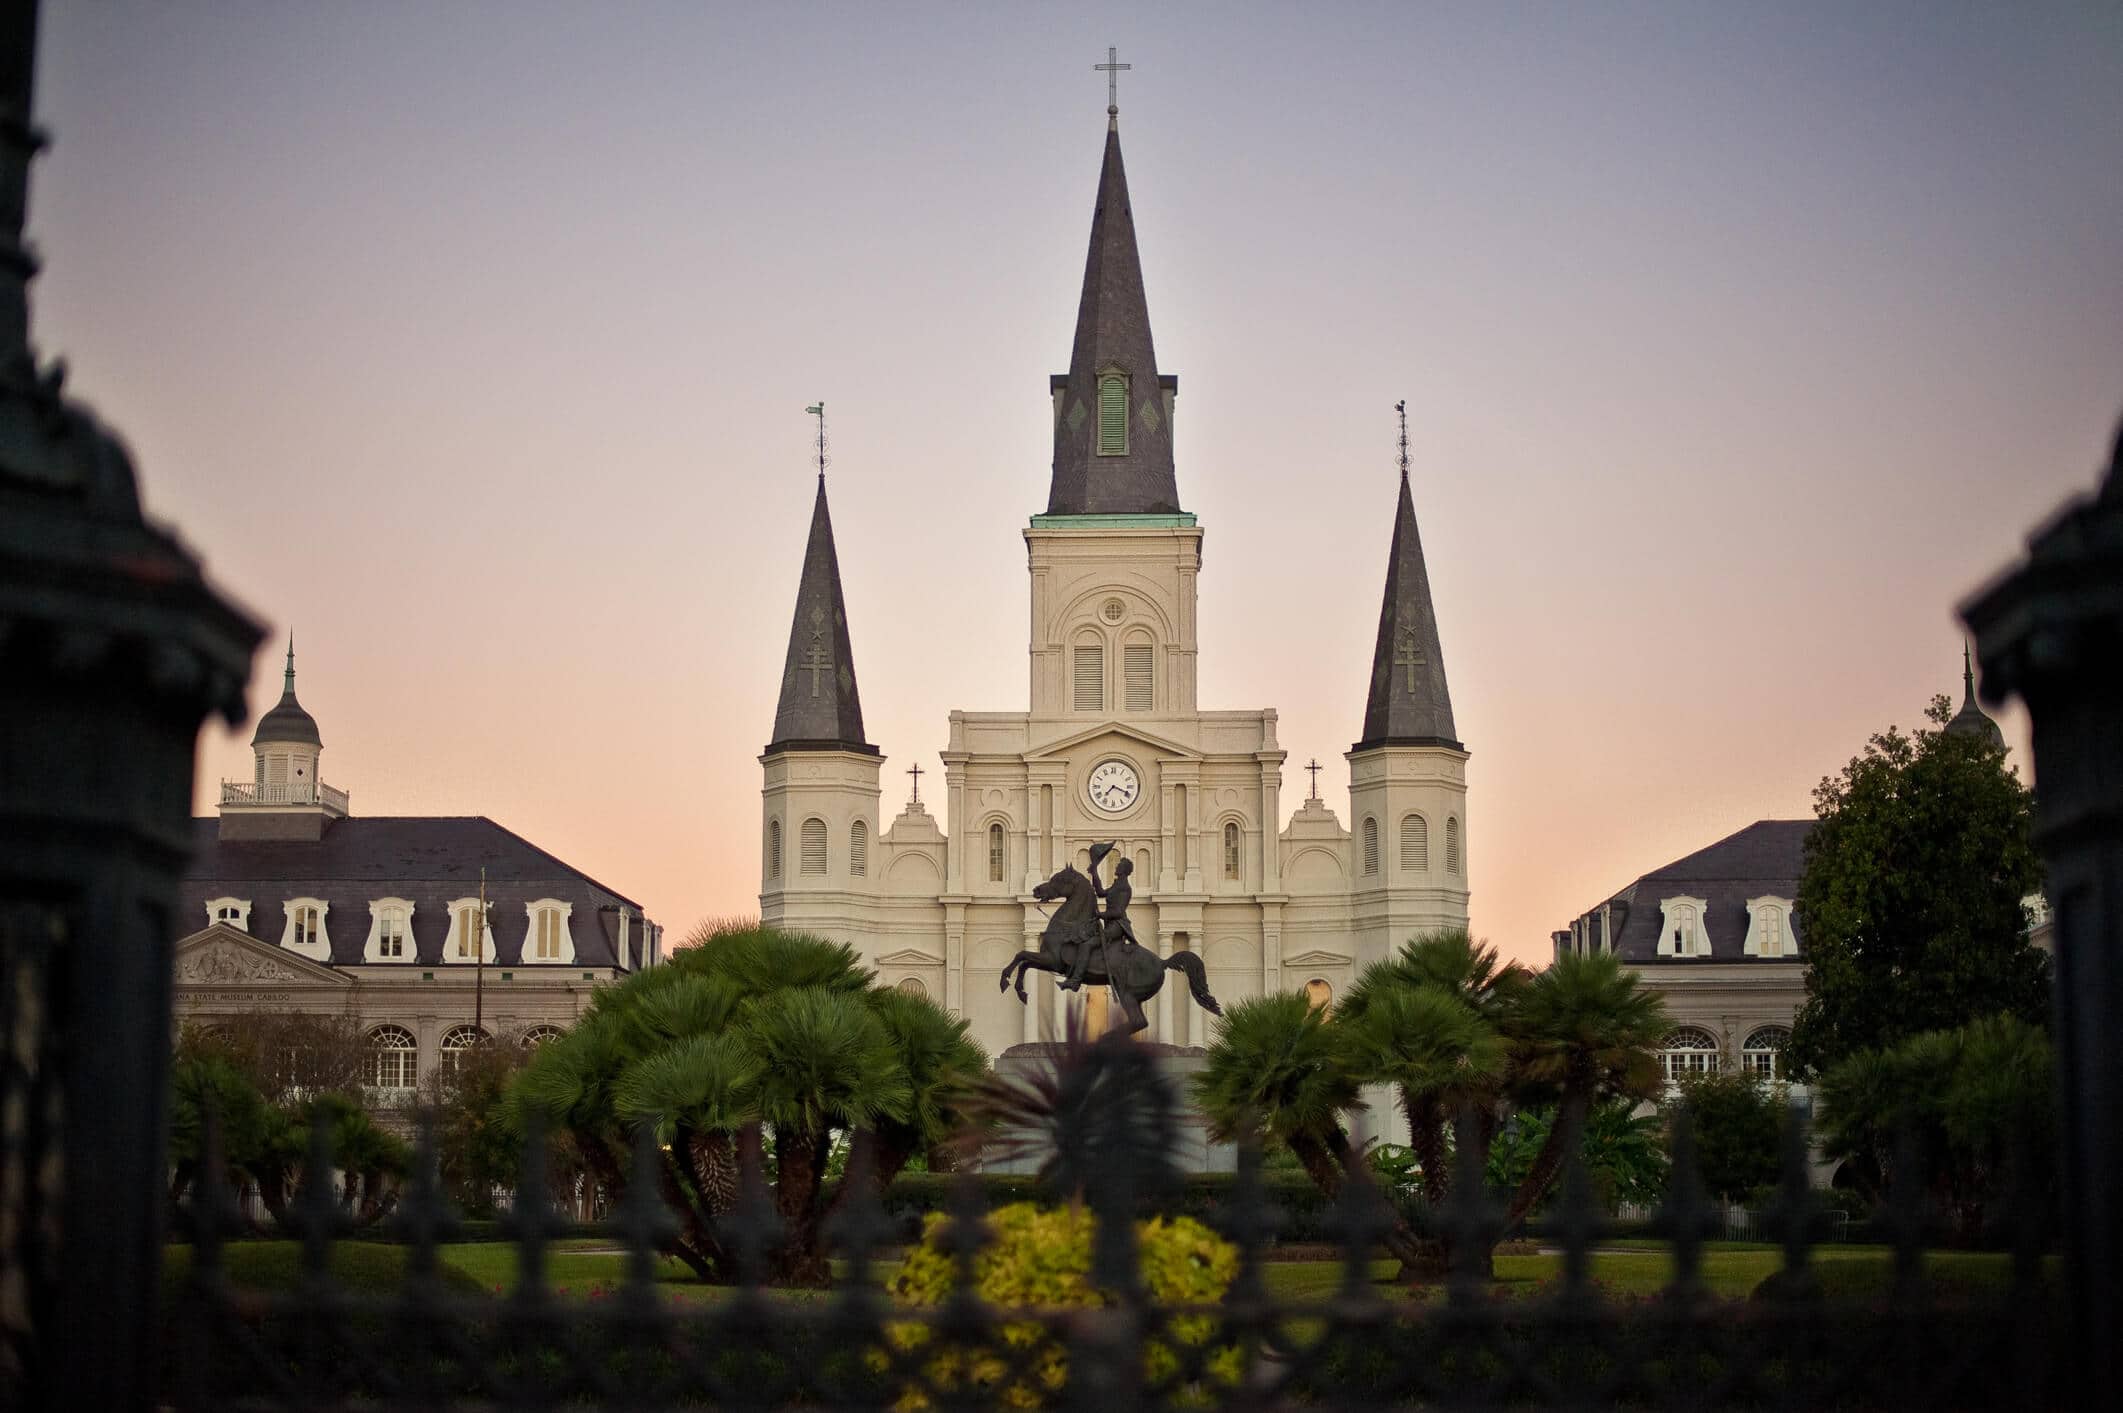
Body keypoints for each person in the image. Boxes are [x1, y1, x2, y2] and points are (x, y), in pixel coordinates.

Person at [1059, 844, 1140, 991]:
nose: (1116, 866)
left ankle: (1075, 980)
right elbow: (1101, 892)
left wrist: (1100, 914)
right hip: (1109, 924)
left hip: (1117, 926)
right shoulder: (1117, 885)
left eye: (1119, 865)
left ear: (1124, 870)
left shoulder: (1125, 888)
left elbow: (1119, 912)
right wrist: (1094, 872)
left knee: (1087, 944)